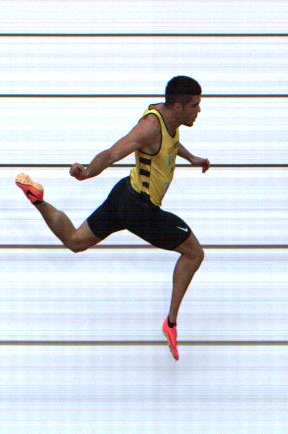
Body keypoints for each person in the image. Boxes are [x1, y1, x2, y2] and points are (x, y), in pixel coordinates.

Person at [14, 75, 209, 361]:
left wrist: (191, 158)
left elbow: (170, 144)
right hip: (141, 209)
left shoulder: (167, 116)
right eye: (195, 105)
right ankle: (170, 323)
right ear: (178, 107)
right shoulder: (150, 126)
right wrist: (87, 172)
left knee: (75, 241)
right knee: (194, 253)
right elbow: (113, 152)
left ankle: (38, 199)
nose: (199, 110)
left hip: (124, 194)